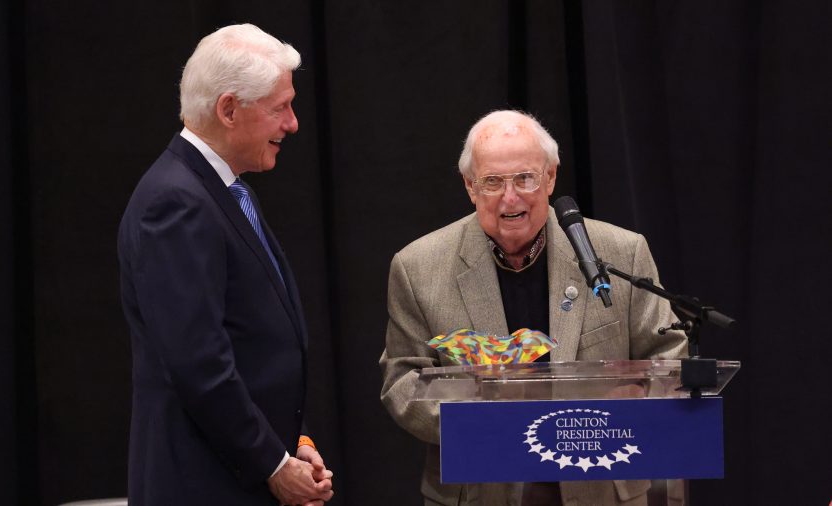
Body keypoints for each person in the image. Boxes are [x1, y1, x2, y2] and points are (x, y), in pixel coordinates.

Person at [379, 110, 687, 506]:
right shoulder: (418, 267)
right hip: (479, 487)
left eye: (525, 178)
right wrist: (484, 424)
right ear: (470, 186)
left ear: (551, 177)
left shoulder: (619, 253)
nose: (511, 197)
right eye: (492, 182)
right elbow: (401, 381)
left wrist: (625, 406)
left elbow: (669, 353)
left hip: (602, 483)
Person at [118, 24, 332, 506]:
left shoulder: (224, 191)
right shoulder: (176, 203)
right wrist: (274, 466)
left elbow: (255, 347)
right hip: (205, 486)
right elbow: (200, 365)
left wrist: (297, 441)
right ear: (229, 109)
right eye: (281, 107)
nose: (294, 123)